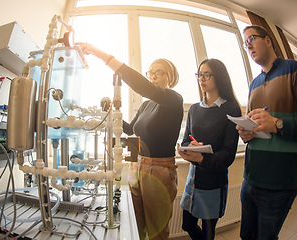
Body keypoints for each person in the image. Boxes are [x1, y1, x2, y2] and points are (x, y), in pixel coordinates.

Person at [77, 42, 184, 240]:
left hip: (159, 171)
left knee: (156, 232)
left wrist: (103, 56)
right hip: (137, 167)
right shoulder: (146, 106)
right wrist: (109, 114)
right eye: (150, 72)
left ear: (171, 77)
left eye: (159, 72)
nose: (152, 76)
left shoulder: (174, 100)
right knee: (136, 226)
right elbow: (131, 129)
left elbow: (142, 87)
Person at [237, 25, 297, 240]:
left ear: (269, 40)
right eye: (245, 43)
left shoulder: (293, 69)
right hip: (250, 177)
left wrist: (278, 124)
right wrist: (245, 133)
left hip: (279, 181)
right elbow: (250, 125)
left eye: (251, 38)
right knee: (247, 236)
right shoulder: (253, 83)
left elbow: (275, 124)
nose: (248, 45)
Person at [177, 59, 241, 240]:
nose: (201, 79)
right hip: (193, 180)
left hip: (214, 184)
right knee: (187, 225)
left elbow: (228, 154)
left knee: (208, 235)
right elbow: (186, 140)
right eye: (199, 74)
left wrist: (201, 158)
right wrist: (186, 150)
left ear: (219, 76)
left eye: (207, 74)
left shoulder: (231, 108)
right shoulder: (194, 109)